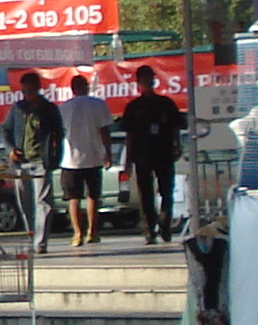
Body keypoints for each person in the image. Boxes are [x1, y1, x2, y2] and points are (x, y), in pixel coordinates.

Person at [114, 66, 187, 246]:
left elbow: (175, 126)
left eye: (150, 79)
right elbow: (129, 135)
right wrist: (128, 162)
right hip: (142, 154)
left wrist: (177, 145)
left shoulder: (166, 103)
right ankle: (149, 229)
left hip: (163, 152)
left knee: (166, 191)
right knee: (145, 194)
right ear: (139, 83)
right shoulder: (134, 107)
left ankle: (165, 224)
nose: (148, 82)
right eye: (144, 79)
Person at [2, 74, 64, 252]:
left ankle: (40, 242)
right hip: (21, 163)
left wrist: (54, 158)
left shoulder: (49, 109)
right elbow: (5, 129)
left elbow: (58, 134)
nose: (26, 95)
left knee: (43, 202)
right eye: (24, 91)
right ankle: (31, 235)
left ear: (37, 88)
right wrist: (10, 150)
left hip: (40, 161)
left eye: (29, 91)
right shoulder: (18, 108)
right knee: (25, 202)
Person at [56, 72, 113, 249]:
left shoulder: (64, 108)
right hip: (93, 156)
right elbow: (104, 130)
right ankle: (92, 232)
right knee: (93, 196)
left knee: (73, 198)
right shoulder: (98, 105)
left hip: (70, 159)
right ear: (86, 87)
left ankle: (77, 233)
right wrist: (108, 153)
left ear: (72, 89)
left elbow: (58, 134)